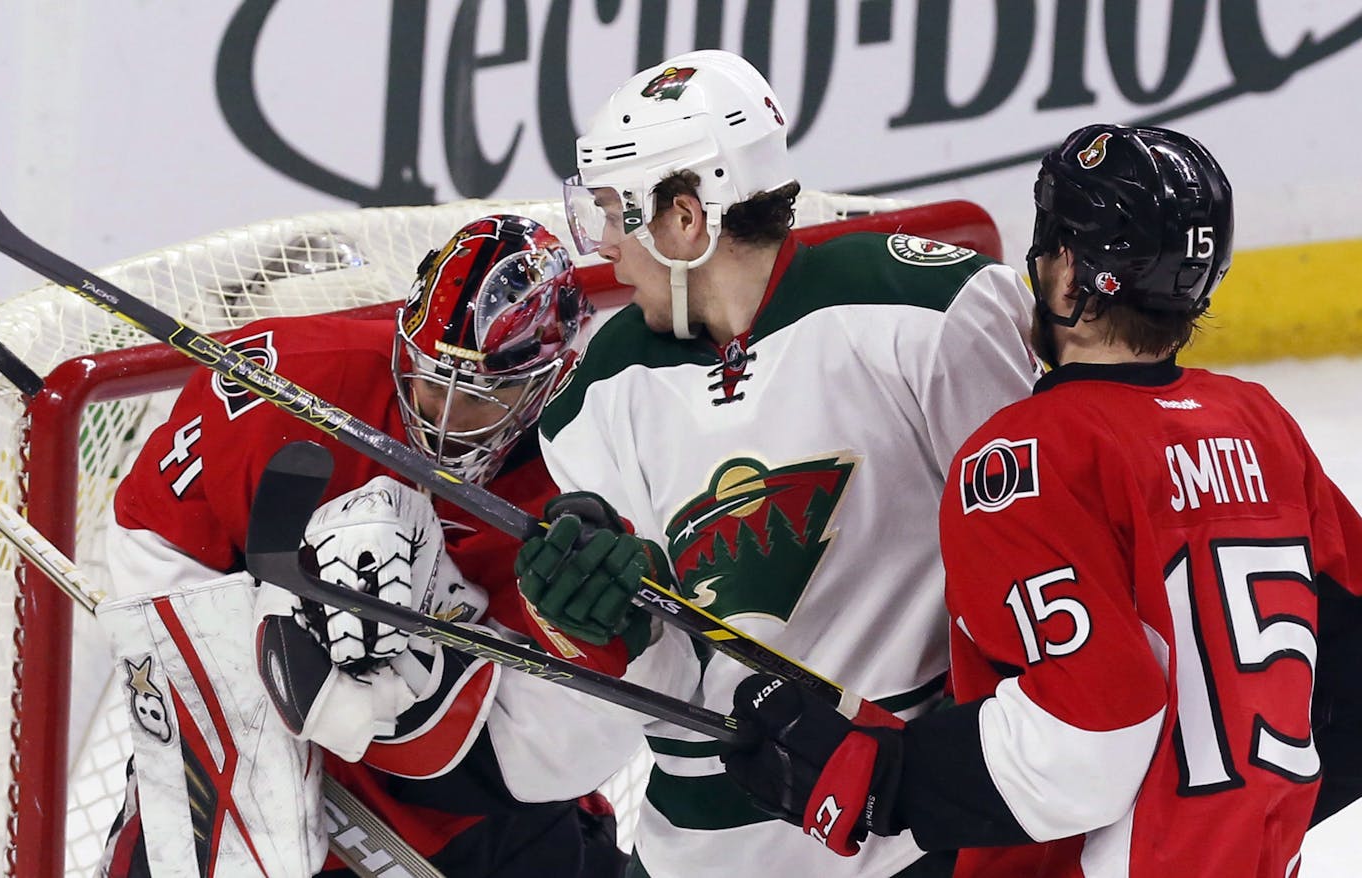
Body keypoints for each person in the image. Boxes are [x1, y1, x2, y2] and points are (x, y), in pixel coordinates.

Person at [717, 124, 1362, 877]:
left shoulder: (1024, 454)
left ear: (1065, 276)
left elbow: (1096, 732)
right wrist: (1225, 822)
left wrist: (888, 779)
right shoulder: (1260, 424)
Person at [513, 50, 1040, 878]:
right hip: (695, 850)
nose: (606, 243)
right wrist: (599, 622)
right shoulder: (599, 392)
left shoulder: (926, 316)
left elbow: (1045, 565)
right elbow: (662, 668)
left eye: (618, 212)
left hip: (907, 835)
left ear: (685, 218)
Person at [96, 216, 636, 878]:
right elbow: (155, 527)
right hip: (258, 742)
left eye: (481, 396)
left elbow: (557, 737)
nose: (440, 416)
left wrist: (371, 711)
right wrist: (251, 679)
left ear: (552, 380)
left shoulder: (590, 483)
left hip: (471, 791)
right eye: (431, 379)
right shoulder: (293, 384)